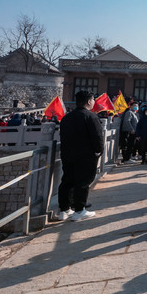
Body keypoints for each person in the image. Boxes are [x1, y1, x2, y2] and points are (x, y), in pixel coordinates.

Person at [57, 90, 104, 221]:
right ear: (89, 101)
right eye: (93, 100)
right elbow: (97, 137)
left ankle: (64, 210)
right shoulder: (91, 117)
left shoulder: (67, 117)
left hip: (67, 155)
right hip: (85, 156)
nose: (94, 102)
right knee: (83, 182)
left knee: (67, 181)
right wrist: (98, 151)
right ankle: (79, 210)